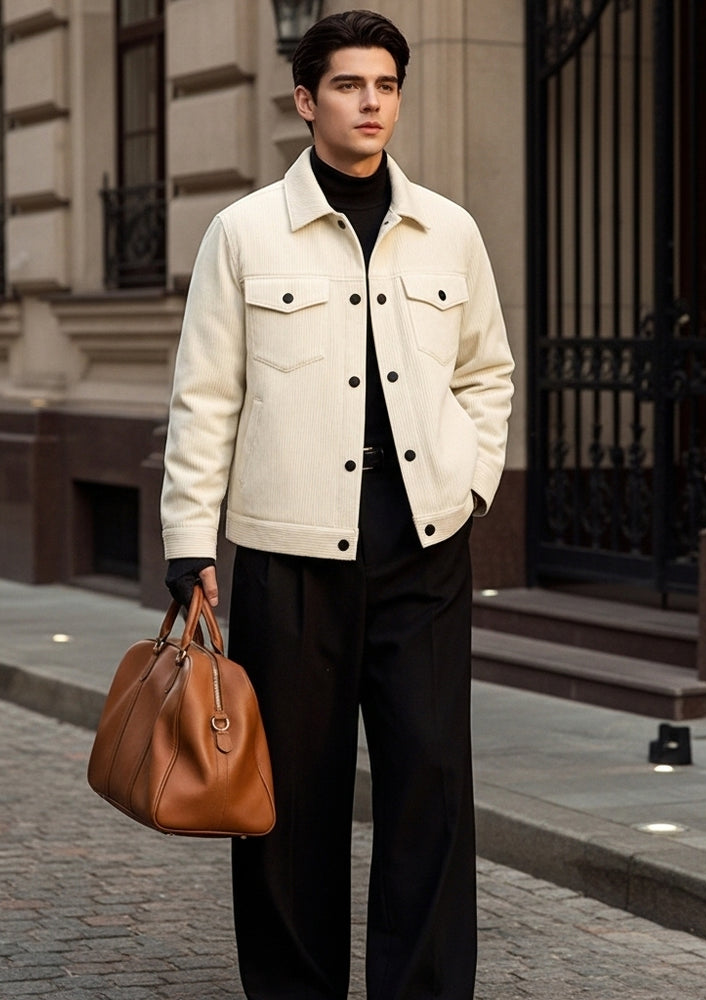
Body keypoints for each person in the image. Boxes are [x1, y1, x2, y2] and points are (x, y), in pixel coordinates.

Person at [161, 10, 514, 999]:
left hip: (425, 552)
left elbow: (489, 372)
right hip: (290, 556)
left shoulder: (448, 231)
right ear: (305, 100)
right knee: (291, 805)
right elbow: (203, 398)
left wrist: (472, 478)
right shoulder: (244, 233)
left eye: (386, 86)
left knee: (431, 789)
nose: (371, 104)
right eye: (350, 86)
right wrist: (189, 543)